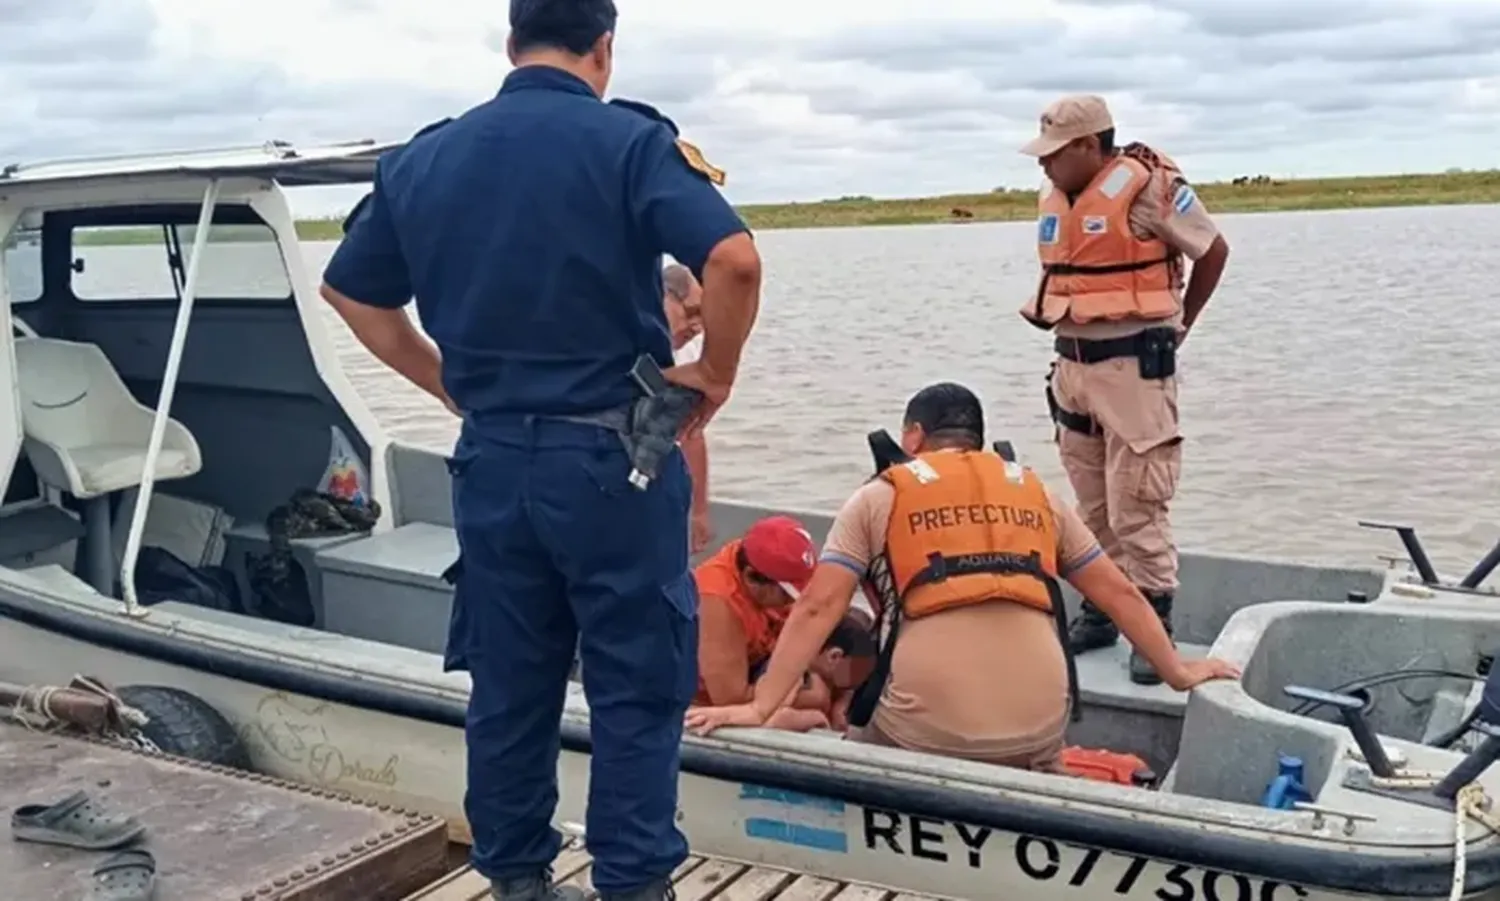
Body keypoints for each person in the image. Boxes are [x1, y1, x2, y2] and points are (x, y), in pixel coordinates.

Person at [317, 0, 763, 897]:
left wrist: (446, 382)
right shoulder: (629, 143)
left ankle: (517, 879)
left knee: (509, 683)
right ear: (604, 48)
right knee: (635, 686)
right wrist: (713, 370)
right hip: (611, 464)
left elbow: (351, 293)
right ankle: (635, 882)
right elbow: (736, 261)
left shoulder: (426, 157)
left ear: (511, 43)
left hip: (490, 464)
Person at [684, 383, 1240, 773]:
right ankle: (1046, 768)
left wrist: (758, 710)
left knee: (854, 737)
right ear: (978, 439)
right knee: (1036, 743)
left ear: (914, 437)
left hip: (923, 733)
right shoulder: (1036, 492)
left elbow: (815, 609)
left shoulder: (880, 497)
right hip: (1043, 724)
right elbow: (1119, 590)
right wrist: (1177, 671)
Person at [1016, 94, 1231, 685]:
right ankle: (1105, 613)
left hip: (1134, 369)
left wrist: (1181, 325)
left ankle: (1153, 623)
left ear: (1089, 146)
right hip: (1072, 366)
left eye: (1054, 154)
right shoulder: (1059, 193)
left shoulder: (1148, 189)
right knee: (1092, 505)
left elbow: (1212, 251)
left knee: (1139, 501)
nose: (1044, 166)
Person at [663, 262, 713, 552]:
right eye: (691, 312)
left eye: (703, 319)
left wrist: (699, 511)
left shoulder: (689, 352)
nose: (696, 327)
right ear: (665, 298)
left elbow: (692, 433)